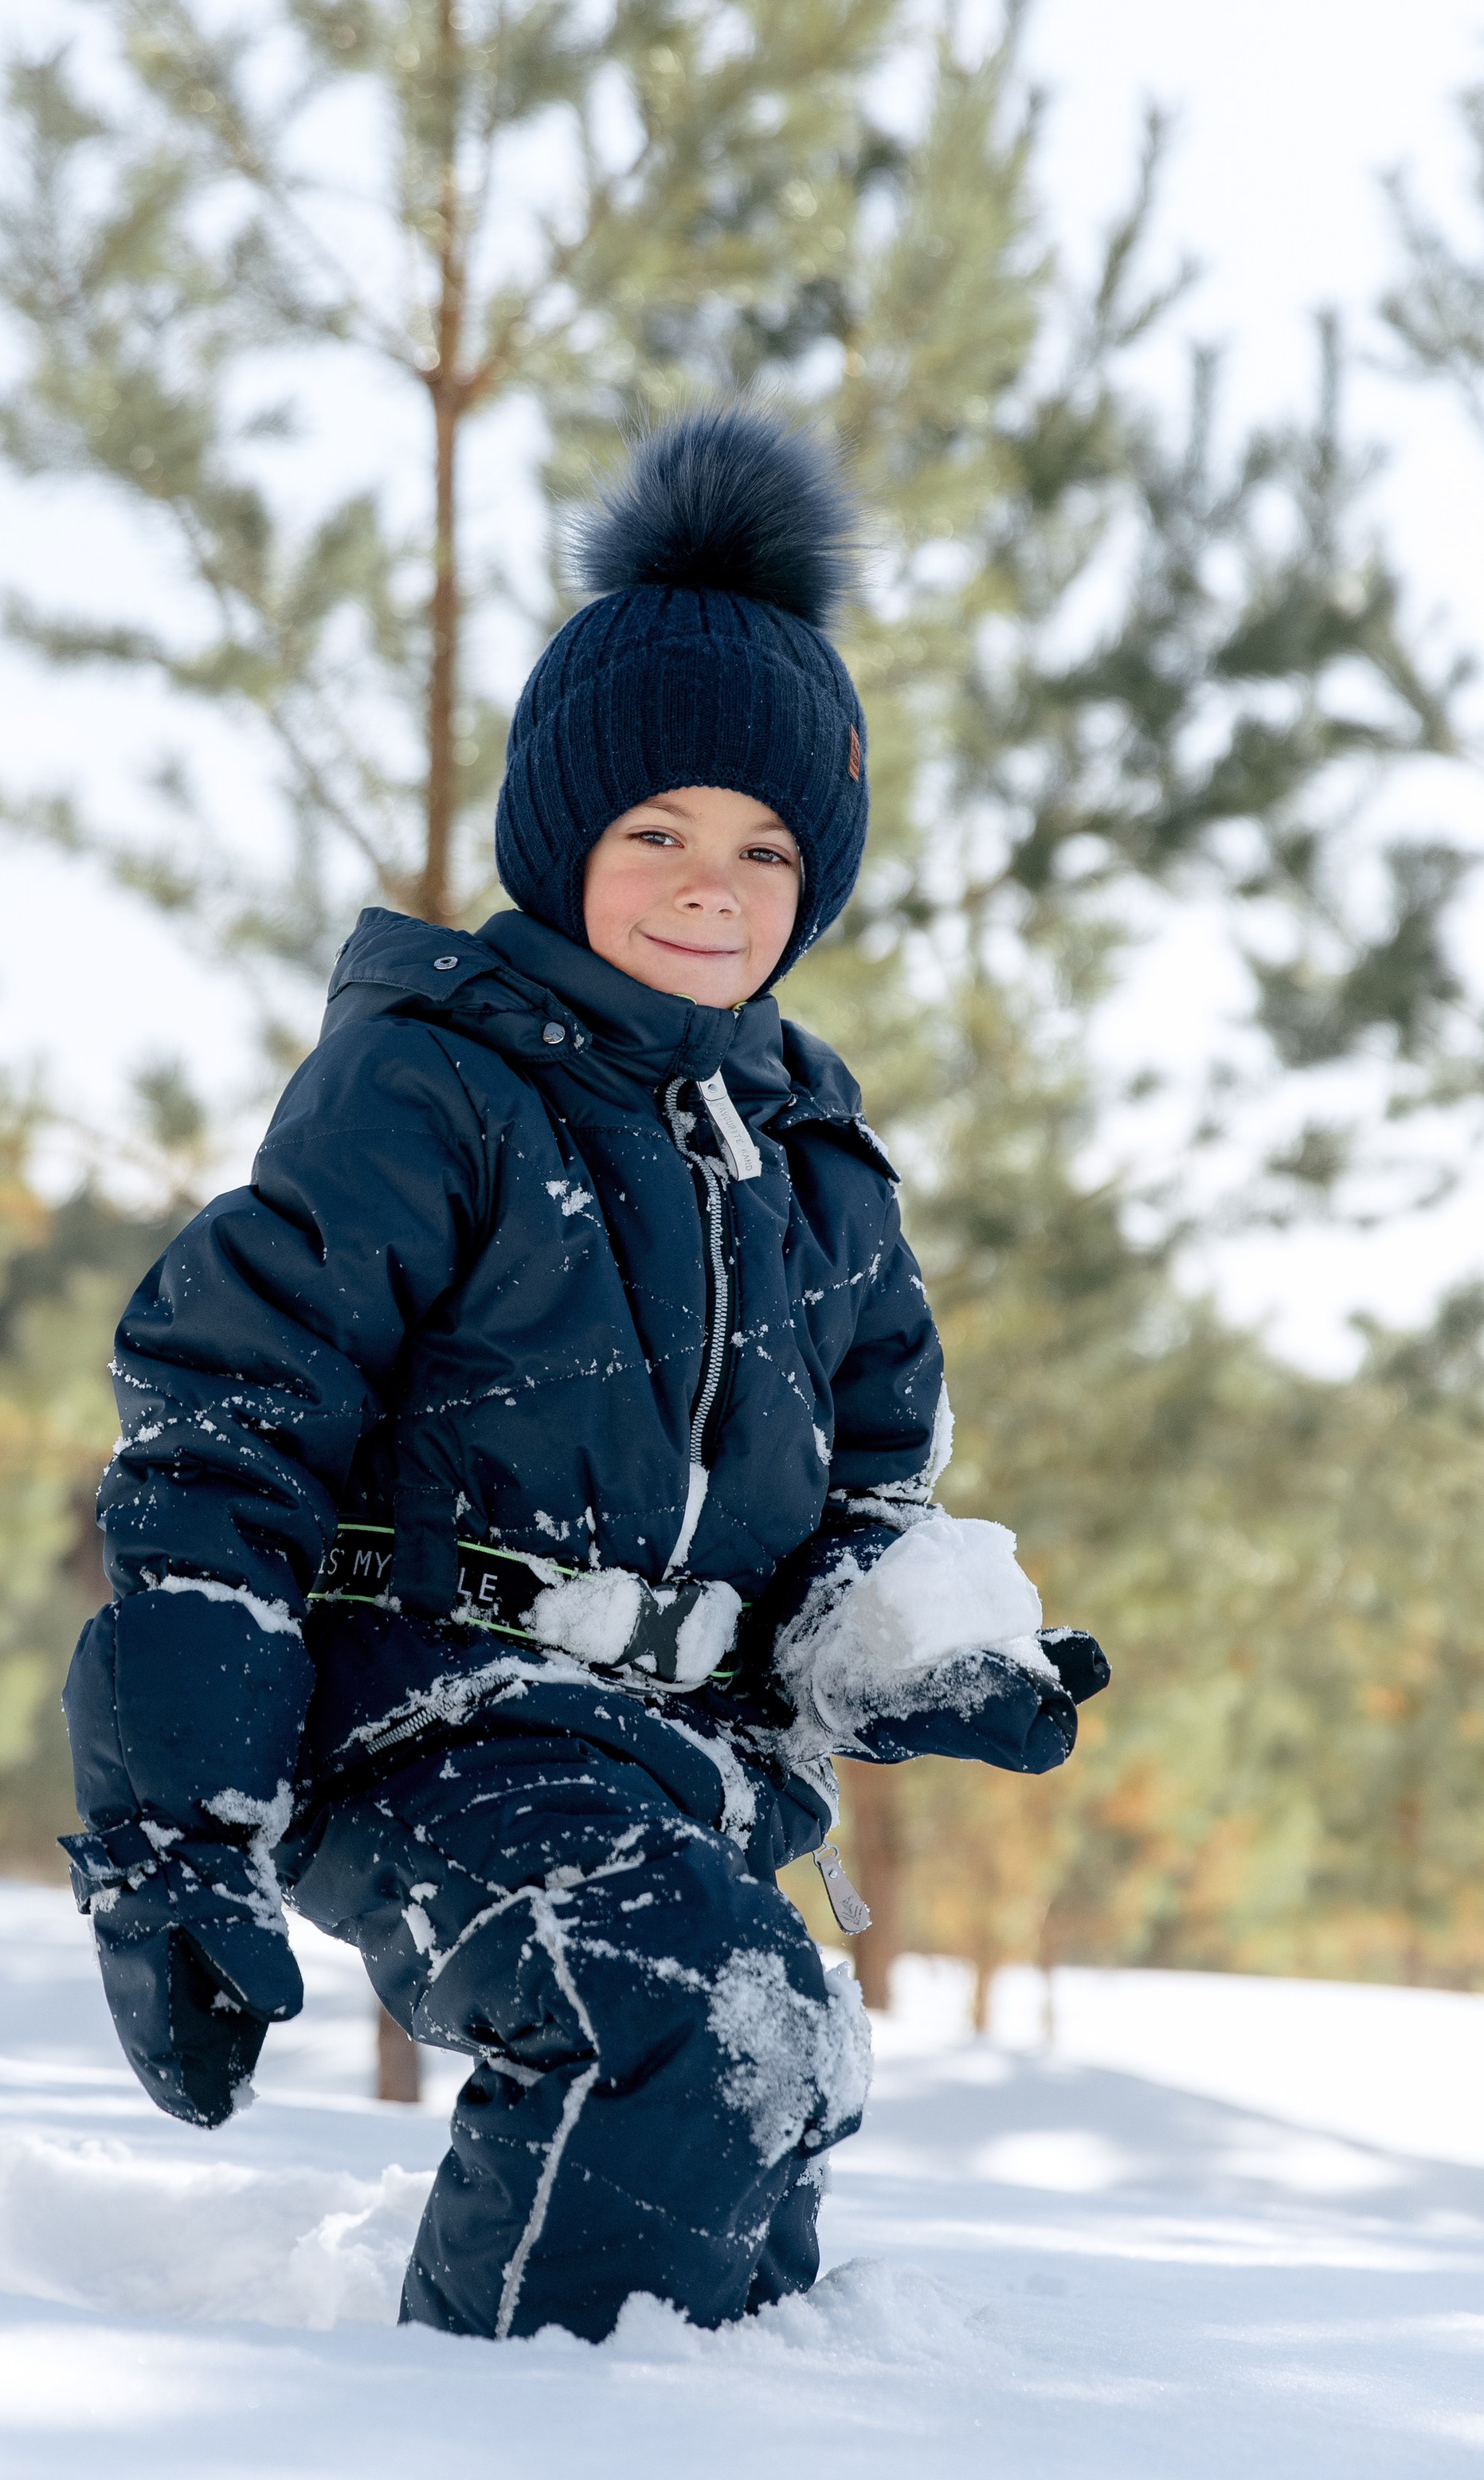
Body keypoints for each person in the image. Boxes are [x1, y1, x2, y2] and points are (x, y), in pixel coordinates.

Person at [59, 404, 1109, 2342]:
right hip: (432, 1720)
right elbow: (226, 1431)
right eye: (655, 833)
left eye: (763, 844)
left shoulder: (817, 1167)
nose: (709, 882)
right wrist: (168, 1834)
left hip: (688, 1771)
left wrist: (915, 1649)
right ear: (562, 839)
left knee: (778, 2076)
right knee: (686, 2034)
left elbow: (866, 1492)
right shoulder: (433, 1086)